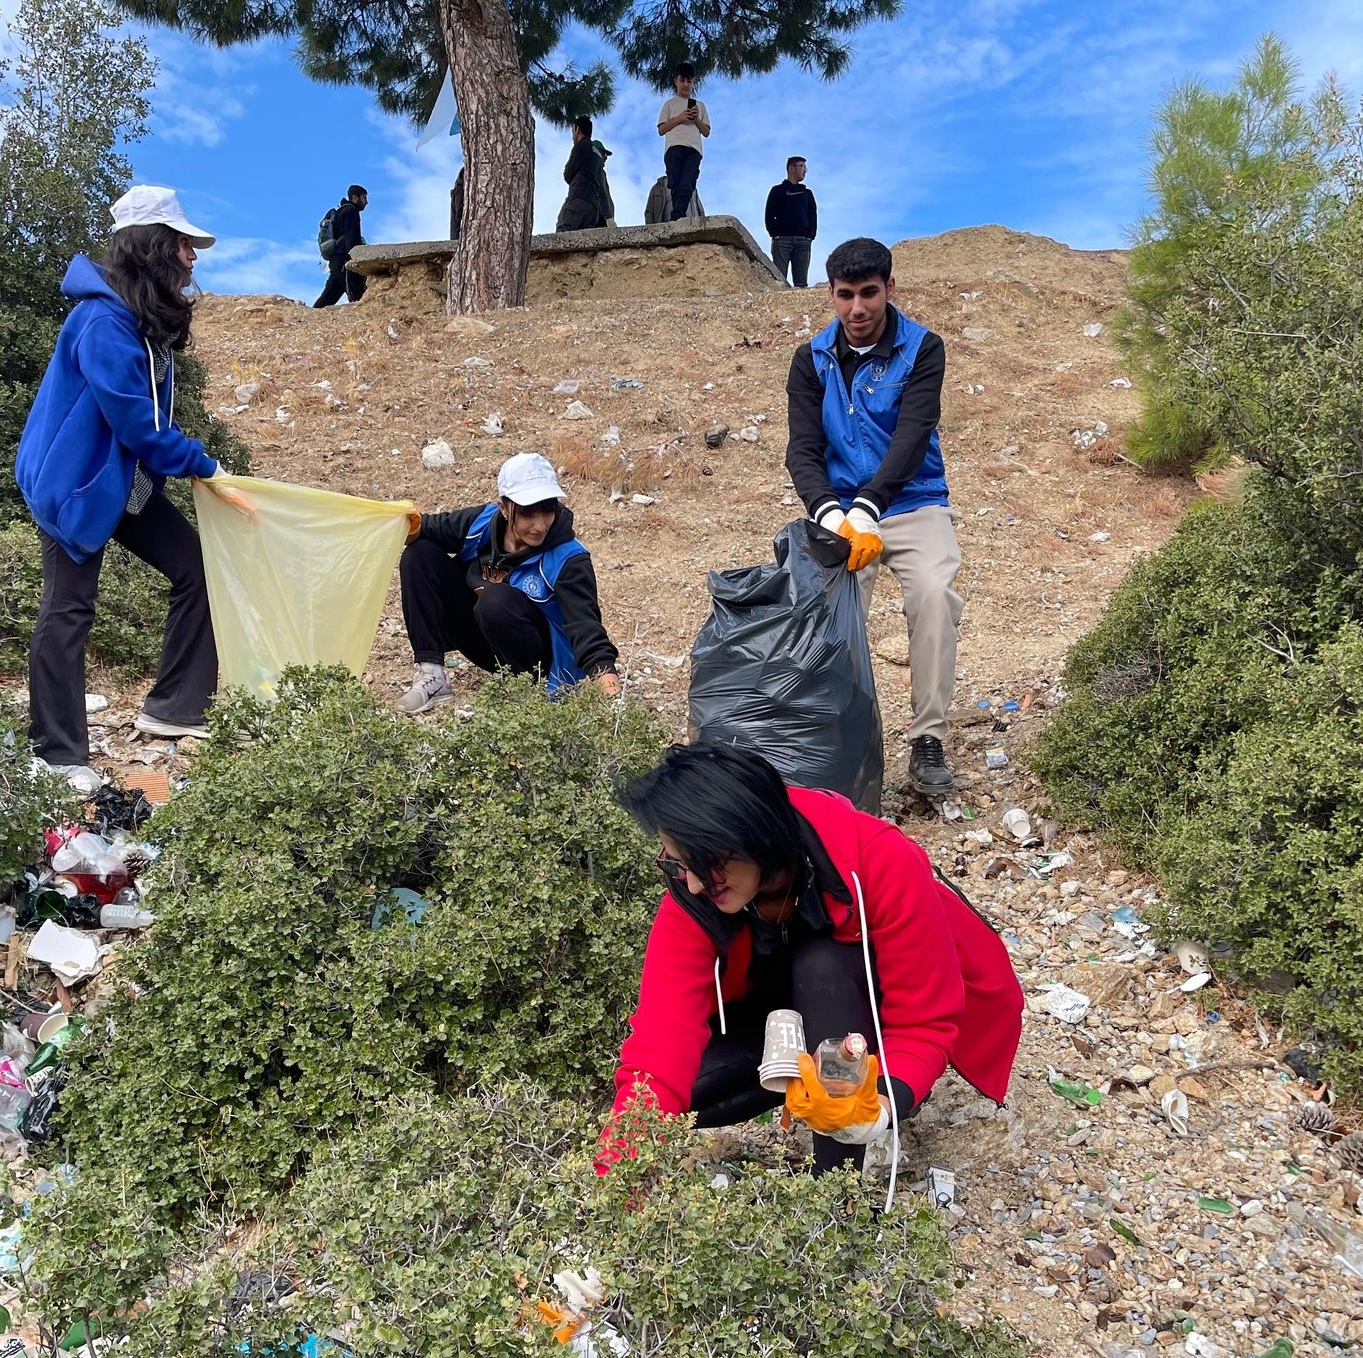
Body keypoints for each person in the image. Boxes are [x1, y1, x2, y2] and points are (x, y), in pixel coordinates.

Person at [602, 742, 1023, 1175]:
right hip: (782, 1022)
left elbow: (923, 1021)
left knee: (822, 965)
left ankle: (839, 1191)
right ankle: (809, 1097)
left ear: (753, 837)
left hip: (869, 1017)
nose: (692, 884)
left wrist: (881, 1102)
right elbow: (661, 1040)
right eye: (677, 865)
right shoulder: (696, 899)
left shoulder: (881, 859)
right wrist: (617, 1174)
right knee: (681, 1090)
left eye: (704, 865)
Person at [16, 186, 255, 795]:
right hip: (74, 485)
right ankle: (56, 752)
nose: (192, 256)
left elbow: (139, 426)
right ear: (154, 248)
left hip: (121, 483)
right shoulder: (101, 321)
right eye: (183, 243)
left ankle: (173, 707)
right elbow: (136, 423)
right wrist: (208, 468)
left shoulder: (137, 318)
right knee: (69, 608)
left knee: (194, 566)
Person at [784, 236, 958, 796]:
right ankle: (845, 740)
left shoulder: (922, 349)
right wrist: (832, 515)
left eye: (868, 293)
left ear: (889, 288)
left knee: (934, 595)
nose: (857, 309)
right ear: (830, 294)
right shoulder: (810, 360)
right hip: (838, 512)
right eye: (844, 295)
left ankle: (927, 737)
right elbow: (803, 451)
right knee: (833, 614)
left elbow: (911, 438)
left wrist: (868, 506)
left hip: (912, 501)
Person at [396, 452, 622, 713]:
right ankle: (432, 677)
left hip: (543, 664)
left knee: (495, 600)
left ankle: (530, 697)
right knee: (419, 554)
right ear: (504, 507)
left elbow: (586, 628)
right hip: (488, 641)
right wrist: (391, 519)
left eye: (548, 510)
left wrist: (613, 700)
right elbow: (427, 527)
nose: (540, 525)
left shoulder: (569, 559)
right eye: (528, 514)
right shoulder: (482, 522)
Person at [655, 66, 710, 221]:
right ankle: (678, 216)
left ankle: (678, 216)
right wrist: (680, 118)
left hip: (694, 149)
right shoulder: (669, 104)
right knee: (675, 183)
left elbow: (706, 132)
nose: (685, 84)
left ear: (693, 82)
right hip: (674, 147)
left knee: (687, 183)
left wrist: (696, 119)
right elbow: (661, 129)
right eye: (682, 80)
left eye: (689, 81)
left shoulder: (700, 105)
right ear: (676, 81)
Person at [764, 155, 817, 287]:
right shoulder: (777, 191)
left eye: (805, 167)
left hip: (803, 242)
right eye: (802, 166)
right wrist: (775, 234)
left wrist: (810, 236)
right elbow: (769, 214)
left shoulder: (807, 193)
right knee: (778, 281)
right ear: (791, 168)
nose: (805, 170)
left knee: (801, 283)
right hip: (782, 241)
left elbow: (813, 216)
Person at [555, 117, 615, 232]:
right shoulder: (598, 165)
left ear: (577, 130)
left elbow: (567, 174)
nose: (605, 157)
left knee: (563, 233)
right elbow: (602, 191)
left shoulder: (582, 146)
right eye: (604, 153)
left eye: (573, 132)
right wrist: (609, 216)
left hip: (578, 200)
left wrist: (608, 216)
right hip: (593, 209)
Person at [315, 184, 370, 307]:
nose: (366, 202)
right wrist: (356, 261)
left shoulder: (341, 211)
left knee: (329, 295)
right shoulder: (351, 211)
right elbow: (352, 240)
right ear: (355, 197)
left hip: (335, 262)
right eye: (364, 198)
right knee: (359, 296)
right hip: (345, 262)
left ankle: (307, 318)